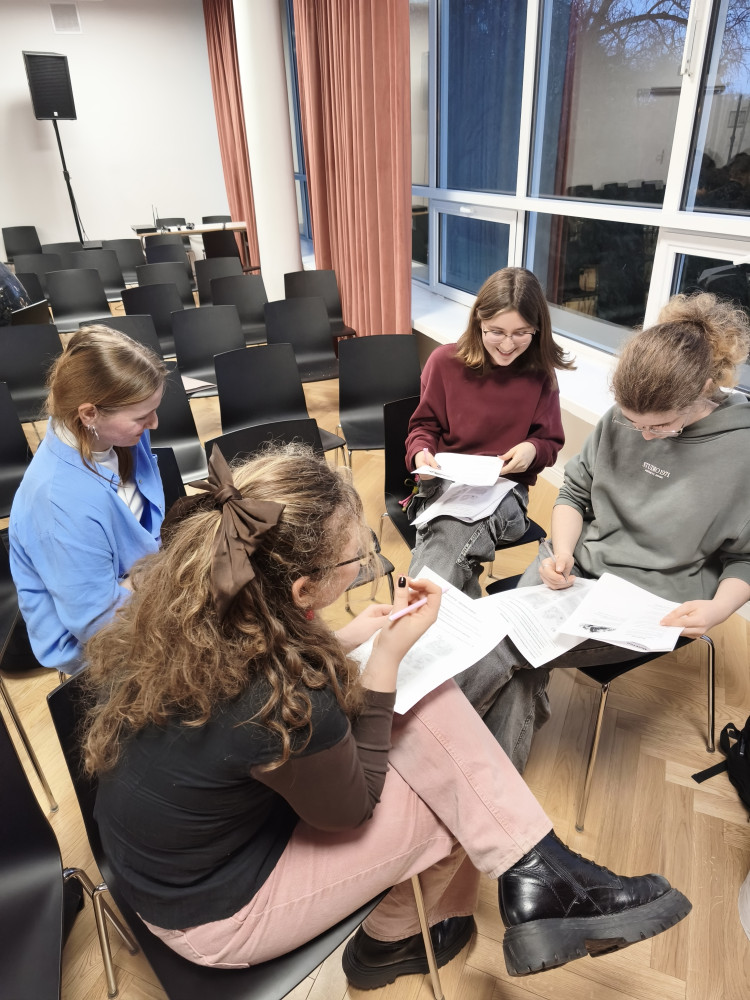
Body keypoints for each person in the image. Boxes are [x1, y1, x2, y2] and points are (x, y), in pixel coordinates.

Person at [82, 444, 690, 989]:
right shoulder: (288, 695)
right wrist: (385, 661)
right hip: (213, 916)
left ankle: (537, 868)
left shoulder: (187, 613)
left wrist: (344, 641)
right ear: (301, 591)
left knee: (440, 729)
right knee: (457, 802)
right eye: (357, 557)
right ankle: (394, 940)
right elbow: (350, 810)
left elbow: (251, 693)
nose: (366, 565)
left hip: (172, 857)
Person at [456, 291, 750, 772]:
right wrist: (562, 552)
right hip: (576, 572)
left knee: (505, 644)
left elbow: (745, 558)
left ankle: (427, 748)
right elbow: (574, 493)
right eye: (633, 423)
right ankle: (483, 779)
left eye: (661, 426)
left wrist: (719, 608)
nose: (644, 436)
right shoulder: (622, 418)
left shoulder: (741, 453)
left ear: (702, 389)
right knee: (508, 645)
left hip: (651, 602)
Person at [405, 267, 574, 597]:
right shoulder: (444, 362)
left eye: (521, 333)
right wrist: (421, 454)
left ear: (537, 329)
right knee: (455, 546)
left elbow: (550, 442)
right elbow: (423, 427)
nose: (508, 344)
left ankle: (412, 612)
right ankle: (443, 618)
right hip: (445, 485)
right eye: (496, 331)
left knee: (450, 532)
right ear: (478, 322)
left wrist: (532, 450)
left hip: (505, 493)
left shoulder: (540, 375)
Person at [9, 324, 167, 674]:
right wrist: (157, 575)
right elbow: (97, 625)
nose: (154, 424)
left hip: (144, 593)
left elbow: (145, 529)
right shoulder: (57, 502)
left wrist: (141, 578)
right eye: (142, 416)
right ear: (89, 414)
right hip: (99, 649)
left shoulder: (121, 436)